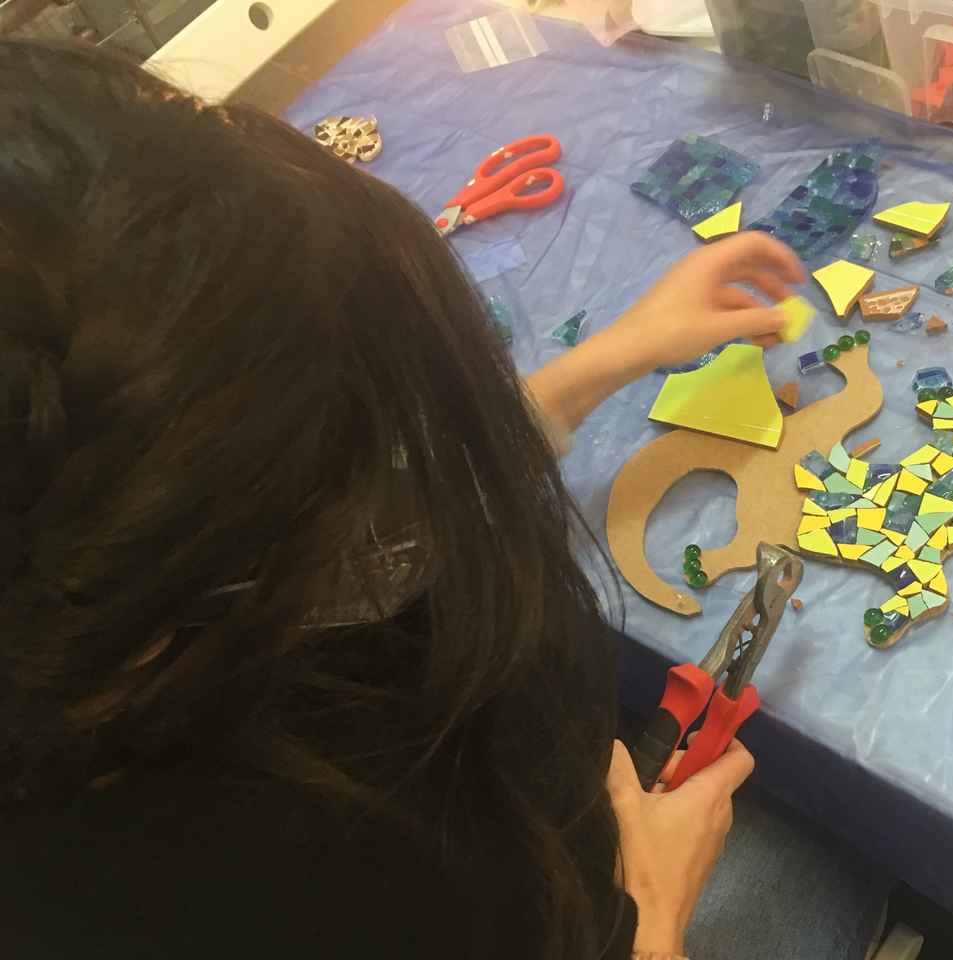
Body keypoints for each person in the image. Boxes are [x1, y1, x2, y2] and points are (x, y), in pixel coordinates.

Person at [0, 39, 818, 959]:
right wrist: (654, 918)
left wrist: (612, 356)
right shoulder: (305, 883)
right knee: (812, 869)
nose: (393, 496)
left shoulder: (105, 578)